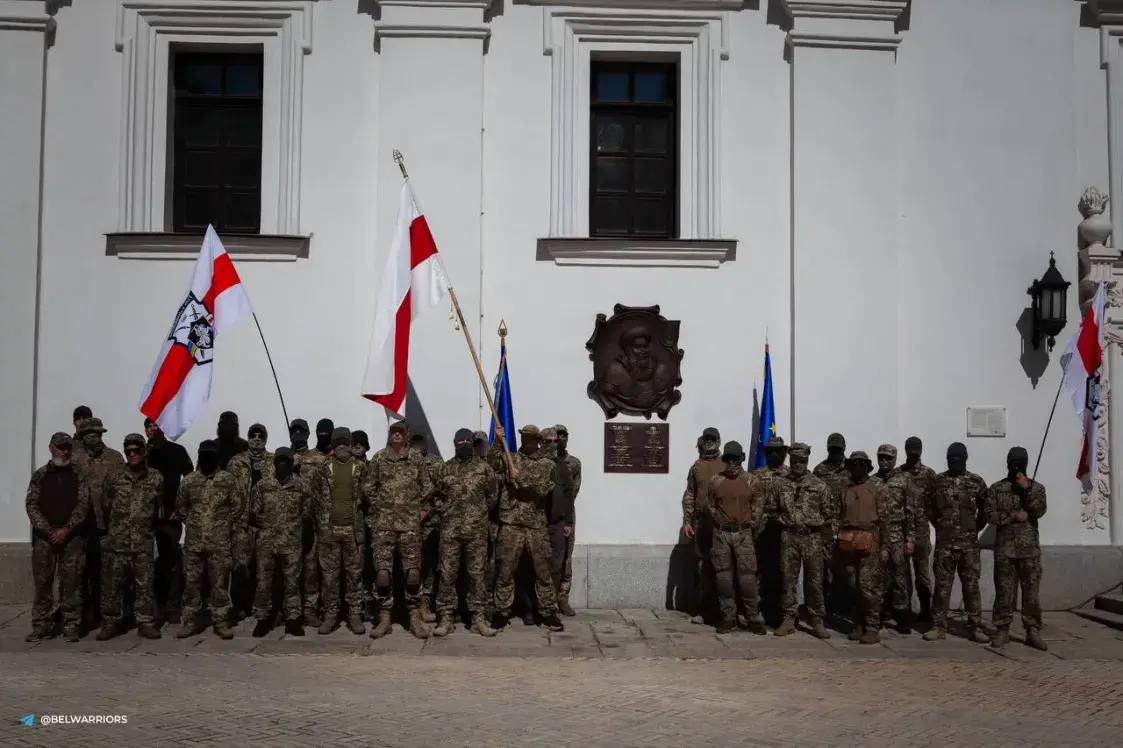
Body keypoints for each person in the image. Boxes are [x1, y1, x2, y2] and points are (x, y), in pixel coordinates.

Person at [361, 420, 433, 639]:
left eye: (401, 432)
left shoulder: (416, 459)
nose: (397, 436)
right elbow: (367, 488)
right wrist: (379, 510)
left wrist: (423, 510)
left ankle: (414, 616)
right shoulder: (379, 458)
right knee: (383, 575)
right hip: (384, 526)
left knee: (412, 574)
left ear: (407, 435)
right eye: (394, 432)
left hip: (410, 526)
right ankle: (384, 618)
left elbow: (428, 489)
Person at [493, 425, 565, 632]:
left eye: (531, 438)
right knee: (506, 569)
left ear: (537, 441)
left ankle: (548, 612)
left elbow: (542, 488)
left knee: (542, 570)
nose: (526, 442)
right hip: (511, 523)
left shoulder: (546, 464)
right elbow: (490, 464)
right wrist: (498, 441)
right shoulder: (510, 458)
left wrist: (520, 477)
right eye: (524, 438)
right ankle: (501, 611)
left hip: (535, 525)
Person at [431, 429, 499, 637]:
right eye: (459, 442)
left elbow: (493, 496)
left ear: (472, 443)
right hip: (451, 532)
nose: (463, 445)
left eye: (467, 441)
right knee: (447, 575)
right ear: (454, 444)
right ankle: (445, 618)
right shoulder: (445, 469)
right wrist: (446, 512)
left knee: (477, 576)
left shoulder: (484, 469)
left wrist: (477, 513)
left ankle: (478, 619)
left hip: (476, 533)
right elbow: (435, 496)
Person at [97, 434, 162, 641]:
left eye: (136, 450)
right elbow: (106, 506)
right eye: (128, 451)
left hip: (142, 541)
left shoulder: (155, 478)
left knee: (145, 585)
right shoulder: (115, 477)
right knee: (112, 586)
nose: (132, 454)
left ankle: (145, 622)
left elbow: (159, 508)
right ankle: (111, 622)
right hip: (118, 542)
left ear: (144, 451)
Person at [698, 441, 768, 635]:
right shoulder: (715, 481)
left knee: (748, 579)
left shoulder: (752, 481)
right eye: (728, 459)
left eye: (735, 459)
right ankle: (728, 617)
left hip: (743, 534)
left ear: (742, 459)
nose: (731, 463)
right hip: (721, 535)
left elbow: (759, 505)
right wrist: (720, 521)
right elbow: (709, 505)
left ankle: (753, 617)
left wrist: (749, 523)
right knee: (724, 578)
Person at [26, 433, 89, 643]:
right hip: (44, 539)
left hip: (71, 539)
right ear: (51, 447)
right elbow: (31, 505)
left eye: (68, 447)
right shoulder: (40, 475)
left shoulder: (78, 475)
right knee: (43, 583)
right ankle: (41, 625)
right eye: (61, 447)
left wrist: (66, 529)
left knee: (71, 582)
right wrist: (48, 530)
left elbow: (83, 504)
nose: (65, 451)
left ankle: (71, 624)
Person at [923, 442, 989, 644]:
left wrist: (972, 529)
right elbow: (929, 509)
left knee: (971, 587)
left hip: (969, 546)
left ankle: (975, 626)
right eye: (951, 458)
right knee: (942, 588)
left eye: (959, 458)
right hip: (945, 545)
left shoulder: (977, 482)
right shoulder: (938, 481)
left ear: (966, 458)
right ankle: (938, 626)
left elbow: (985, 511)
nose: (955, 461)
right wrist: (943, 527)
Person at [985, 447, 1048, 651]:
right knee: (1004, 593)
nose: (1017, 467)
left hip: (1029, 551)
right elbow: (990, 515)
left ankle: (1032, 631)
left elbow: (1039, 510)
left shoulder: (1036, 488)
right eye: (1013, 463)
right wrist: (1013, 516)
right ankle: (1002, 630)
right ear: (1008, 464)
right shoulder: (997, 488)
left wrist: (1026, 488)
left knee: (1031, 595)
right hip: (1005, 551)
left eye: (1020, 463)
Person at [175, 440, 238, 640]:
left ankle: (221, 621)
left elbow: (238, 505)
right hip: (194, 544)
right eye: (204, 454)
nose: (207, 458)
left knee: (219, 585)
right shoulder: (189, 481)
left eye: (211, 454)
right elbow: (181, 507)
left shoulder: (227, 479)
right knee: (192, 584)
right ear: (199, 455)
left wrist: (224, 525)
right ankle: (191, 621)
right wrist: (194, 524)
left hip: (219, 544)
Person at [247, 448, 311, 637]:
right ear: (274, 463)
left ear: (292, 463)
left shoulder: (302, 486)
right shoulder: (263, 485)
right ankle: (262, 619)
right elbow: (254, 512)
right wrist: (269, 526)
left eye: (286, 461)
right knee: (263, 583)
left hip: (291, 544)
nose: (282, 465)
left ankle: (293, 620)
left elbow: (306, 514)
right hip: (267, 543)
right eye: (279, 461)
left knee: (292, 584)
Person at [771, 442, 831, 639]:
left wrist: (822, 532)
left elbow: (828, 513)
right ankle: (788, 618)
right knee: (788, 580)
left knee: (814, 581)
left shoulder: (819, 484)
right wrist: (783, 520)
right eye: (795, 460)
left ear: (807, 460)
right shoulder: (781, 484)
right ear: (790, 459)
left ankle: (817, 620)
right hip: (789, 536)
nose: (798, 464)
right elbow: (772, 508)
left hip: (812, 538)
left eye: (802, 460)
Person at [72, 416, 125, 633]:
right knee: (79, 574)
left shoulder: (114, 458)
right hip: (80, 527)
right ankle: (83, 617)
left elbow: (123, 491)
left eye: (97, 432)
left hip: (107, 526)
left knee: (106, 576)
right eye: (88, 433)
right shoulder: (74, 459)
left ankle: (108, 619)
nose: (93, 436)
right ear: (81, 436)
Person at [314, 428, 366, 635]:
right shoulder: (323, 468)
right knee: (330, 577)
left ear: (351, 444)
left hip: (353, 531)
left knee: (354, 575)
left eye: (345, 442)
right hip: (329, 531)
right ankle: (331, 615)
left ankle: (355, 615)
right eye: (338, 442)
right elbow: (314, 496)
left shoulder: (361, 468)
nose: (342, 446)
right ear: (332, 445)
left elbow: (369, 495)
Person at [836, 451, 891, 644]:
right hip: (848, 541)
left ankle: (872, 627)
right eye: (853, 463)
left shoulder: (878, 488)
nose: (857, 467)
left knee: (869, 588)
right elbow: (838, 515)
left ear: (867, 466)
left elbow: (885, 521)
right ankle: (858, 623)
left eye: (861, 464)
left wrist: (885, 548)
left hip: (871, 541)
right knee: (853, 586)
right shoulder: (845, 488)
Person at [145, 418, 193, 626]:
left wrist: (181, 509)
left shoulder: (177, 451)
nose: (153, 428)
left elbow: (190, 481)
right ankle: (156, 608)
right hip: (146, 519)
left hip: (171, 518)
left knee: (172, 562)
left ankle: (173, 606)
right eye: (149, 425)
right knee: (149, 565)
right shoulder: (140, 453)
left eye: (156, 424)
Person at [228, 423, 273, 621]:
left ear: (265, 439)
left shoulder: (273, 461)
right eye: (252, 435)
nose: (256, 439)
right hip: (242, 523)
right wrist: (231, 519)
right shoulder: (236, 462)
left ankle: (261, 607)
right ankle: (239, 605)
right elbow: (227, 491)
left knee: (263, 568)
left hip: (265, 524)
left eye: (260, 436)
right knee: (240, 568)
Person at [681, 427, 724, 625]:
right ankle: (703, 609)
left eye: (712, 439)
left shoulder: (726, 464)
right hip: (701, 523)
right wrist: (687, 521)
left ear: (719, 441)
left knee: (723, 566)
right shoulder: (696, 467)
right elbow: (690, 494)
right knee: (701, 566)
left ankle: (724, 609)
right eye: (706, 439)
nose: (709, 442)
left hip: (722, 524)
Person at [872, 444, 916, 634]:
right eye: (881, 457)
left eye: (888, 458)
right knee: (878, 577)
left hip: (898, 535)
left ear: (895, 459)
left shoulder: (904, 481)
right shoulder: (872, 481)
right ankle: (879, 614)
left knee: (900, 578)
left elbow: (911, 511)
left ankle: (902, 616)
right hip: (877, 536)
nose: (884, 460)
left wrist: (910, 538)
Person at [898, 436, 936, 623]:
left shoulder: (929, 475)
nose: (914, 455)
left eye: (916, 451)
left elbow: (936, 503)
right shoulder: (899, 473)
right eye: (911, 451)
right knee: (902, 575)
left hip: (921, 531)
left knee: (922, 575)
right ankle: (904, 610)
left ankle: (925, 609)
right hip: (902, 531)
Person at [544, 424, 581, 616]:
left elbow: (572, 491)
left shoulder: (573, 463)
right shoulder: (543, 462)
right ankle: (545, 600)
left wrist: (566, 519)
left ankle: (562, 599)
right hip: (546, 518)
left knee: (565, 560)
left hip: (565, 516)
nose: (559, 440)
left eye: (563, 436)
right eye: (556, 437)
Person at [813, 433, 848, 620]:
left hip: (846, 528)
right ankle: (826, 607)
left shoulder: (852, 469)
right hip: (825, 529)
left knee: (845, 570)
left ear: (844, 449)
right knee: (825, 569)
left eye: (838, 450)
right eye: (832, 449)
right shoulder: (820, 470)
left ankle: (844, 606)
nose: (835, 453)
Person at [413, 431, 444, 624]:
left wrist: (427, 510)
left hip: (430, 524)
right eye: (414, 442)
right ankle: (410, 605)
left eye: (421, 441)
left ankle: (425, 603)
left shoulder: (437, 464)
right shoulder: (404, 462)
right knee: (411, 567)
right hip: (406, 523)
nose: (418, 446)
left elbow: (442, 493)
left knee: (429, 566)